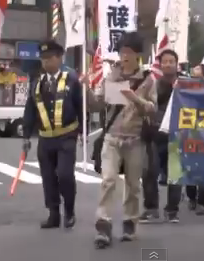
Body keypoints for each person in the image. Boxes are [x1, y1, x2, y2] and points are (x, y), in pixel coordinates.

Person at [87, 32, 157, 249]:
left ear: (138, 55)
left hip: (135, 138)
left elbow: (152, 110)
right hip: (112, 137)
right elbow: (98, 104)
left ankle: (129, 222)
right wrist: (86, 90)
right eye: (122, 52)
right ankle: (103, 224)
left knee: (133, 185)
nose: (124, 56)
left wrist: (134, 98)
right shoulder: (111, 76)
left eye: (129, 52)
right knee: (108, 180)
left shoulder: (147, 79)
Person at [21, 40, 84, 230]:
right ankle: (53, 214)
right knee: (48, 178)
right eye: (43, 59)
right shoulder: (37, 82)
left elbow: (80, 105)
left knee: (64, 175)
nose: (46, 62)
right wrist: (26, 136)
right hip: (45, 138)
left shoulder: (72, 79)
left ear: (59, 58)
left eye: (50, 58)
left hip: (67, 136)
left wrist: (82, 131)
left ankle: (70, 210)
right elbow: (30, 110)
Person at [140, 49, 185, 224]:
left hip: (177, 134)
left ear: (176, 63)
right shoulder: (154, 84)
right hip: (155, 132)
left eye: (170, 61)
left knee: (175, 174)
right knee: (150, 172)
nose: (167, 64)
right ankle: (151, 208)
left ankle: (172, 210)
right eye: (164, 61)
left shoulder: (184, 83)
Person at [185, 64, 204, 215]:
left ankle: (203, 202)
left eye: (198, 77)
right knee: (190, 169)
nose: (194, 79)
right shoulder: (185, 92)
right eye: (192, 76)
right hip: (189, 134)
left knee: (203, 169)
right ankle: (191, 198)